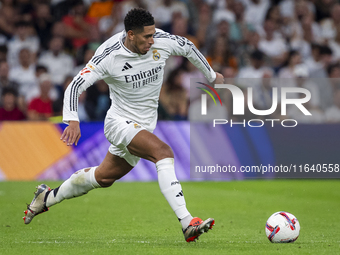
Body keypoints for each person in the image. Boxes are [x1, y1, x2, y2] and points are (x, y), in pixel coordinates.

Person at [23, 8, 223, 243]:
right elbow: (75, 85)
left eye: (153, 34)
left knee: (103, 178)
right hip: (119, 122)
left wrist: (211, 75)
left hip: (144, 126)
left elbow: (188, 47)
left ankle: (46, 198)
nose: (152, 40)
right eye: (146, 36)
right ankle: (187, 221)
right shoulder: (109, 55)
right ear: (130, 34)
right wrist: (72, 120)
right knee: (163, 153)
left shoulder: (163, 41)